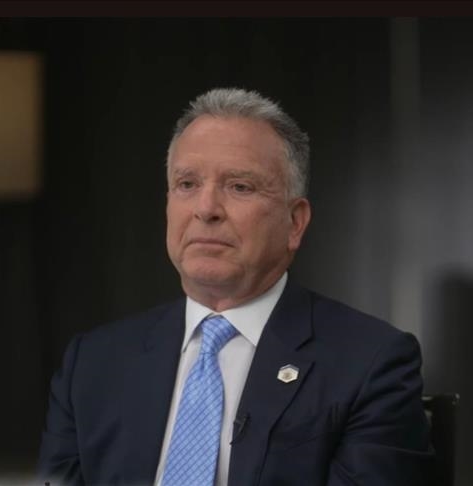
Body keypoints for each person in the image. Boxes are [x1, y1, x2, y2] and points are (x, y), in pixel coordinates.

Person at [38, 88, 433, 485]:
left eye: (239, 186)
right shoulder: (93, 364)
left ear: (295, 223)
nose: (206, 208)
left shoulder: (369, 364)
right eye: (187, 184)